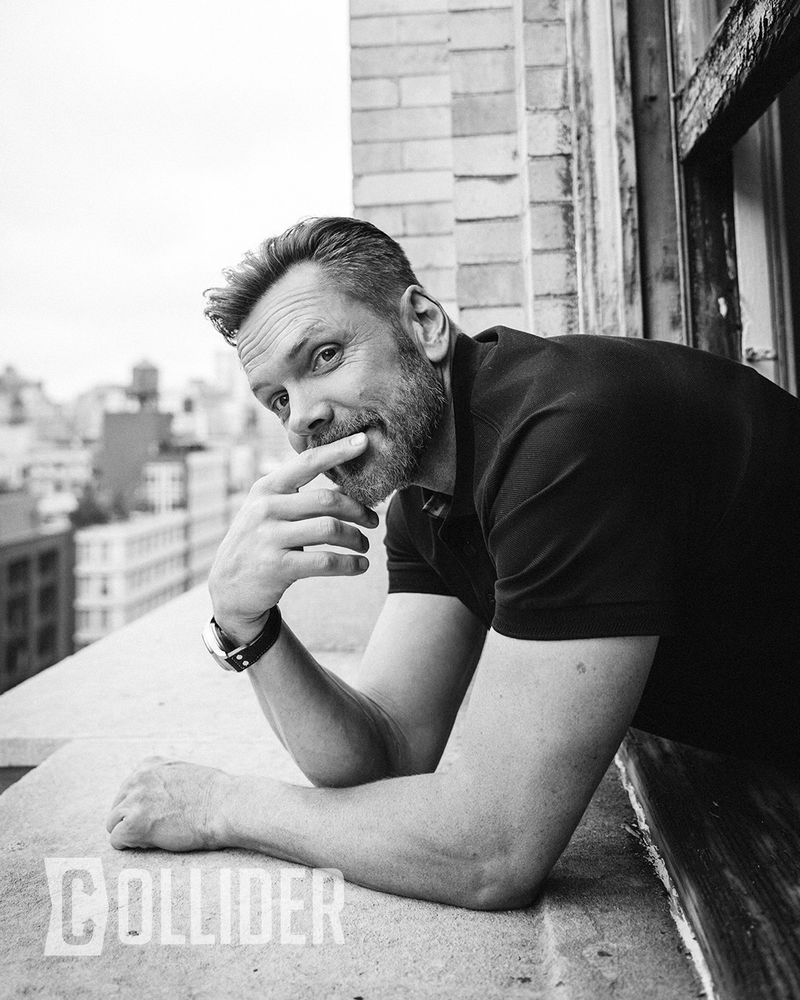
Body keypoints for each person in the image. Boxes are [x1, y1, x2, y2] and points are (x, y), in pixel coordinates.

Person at [106, 217, 800, 909]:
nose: (303, 418)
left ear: (425, 324)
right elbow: (384, 751)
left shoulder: (562, 437)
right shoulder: (426, 500)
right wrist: (245, 622)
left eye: (322, 356)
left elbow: (490, 851)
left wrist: (224, 806)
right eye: (278, 399)